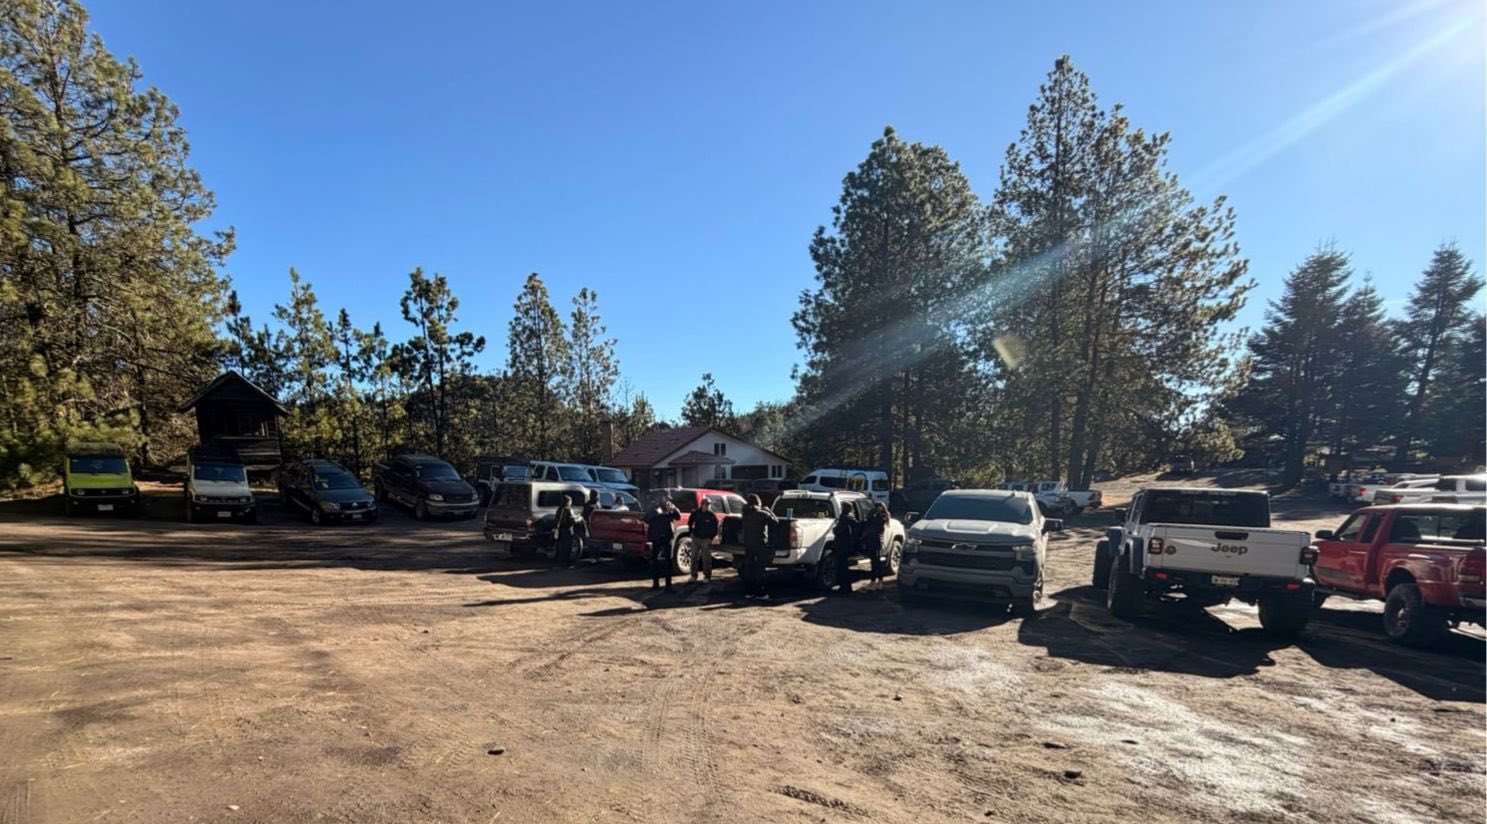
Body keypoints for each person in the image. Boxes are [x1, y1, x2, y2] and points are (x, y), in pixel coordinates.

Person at [740, 495, 778, 600]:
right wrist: (769, 511)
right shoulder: (763, 514)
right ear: (758, 502)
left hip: (748, 544)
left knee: (749, 568)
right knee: (760, 568)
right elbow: (775, 522)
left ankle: (749, 592)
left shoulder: (745, 513)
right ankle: (760, 592)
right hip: (760, 544)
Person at [647, 497, 681, 593]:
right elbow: (646, 519)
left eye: (667, 499)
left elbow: (678, 517)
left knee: (669, 561)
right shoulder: (653, 506)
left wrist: (673, 509)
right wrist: (655, 512)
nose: (665, 501)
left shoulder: (670, 507)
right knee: (654, 560)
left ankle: (668, 585)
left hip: (667, 536)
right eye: (664, 498)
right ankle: (655, 583)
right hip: (656, 536)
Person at [687, 498, 719, 583]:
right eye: (706, 504)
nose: (707, 506)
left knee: (706, 558)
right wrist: (691, 532)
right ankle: (693, 575)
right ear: (702, 505)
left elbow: (715, 527)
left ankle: (707, 576)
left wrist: (711, 537)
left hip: (706, 539)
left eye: (708, 505)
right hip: (696, 538)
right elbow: (690, 522)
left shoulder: (711, 515)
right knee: (694, 557)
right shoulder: (696, 513)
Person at [832, 505, 860, 595]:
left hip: (842, 546)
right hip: (846, 546)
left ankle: (845, 588)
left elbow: (838, 531)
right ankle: (846, 587)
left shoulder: (845, 519)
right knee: (844, 567)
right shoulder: (851, 519)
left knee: (842, 568)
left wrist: (835, 529)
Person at [862, 502, 890, 591]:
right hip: (871, 540)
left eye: (879, 507)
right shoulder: (875, 515)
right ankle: (874, 581)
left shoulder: (883, 517)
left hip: (877, 541)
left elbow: (876, 523)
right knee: (873, 562)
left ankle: (878, 581)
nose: (878, 509)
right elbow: (868, 518)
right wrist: (873, 510)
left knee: (876, 562)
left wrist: (877, 512)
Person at [574, 490, 600, 566]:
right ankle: (592, 556)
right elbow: (585, 516)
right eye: (595, 495)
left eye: (597, 495)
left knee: (597, 541)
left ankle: (597, 556)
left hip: (597, 525)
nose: (597, 497)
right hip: (590, 525)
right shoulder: (588, 505)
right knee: (591, 541)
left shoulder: (598, 504)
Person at [553, 495, 577, 566]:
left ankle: (559, 560)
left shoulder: (559, 509)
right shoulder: (568, 510)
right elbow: (572, 520)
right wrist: (579, 519)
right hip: (567, 530)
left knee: (561, 546)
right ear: (568, 502)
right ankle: (566, 562)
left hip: (560, 530)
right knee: (568, 546)